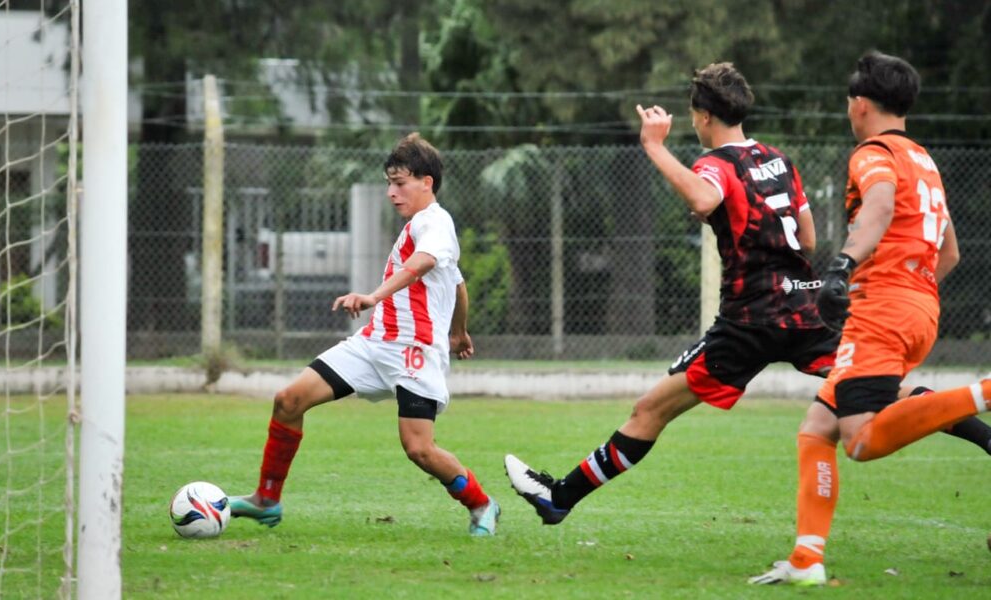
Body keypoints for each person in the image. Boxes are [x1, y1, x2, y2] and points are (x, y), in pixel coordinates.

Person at [505, 62, 841, 526]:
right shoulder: (778, 159)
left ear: (703, 116)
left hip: (750, 320)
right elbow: (807, 240)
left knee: (650, 410)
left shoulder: (716, 163)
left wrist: (653, 146)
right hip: (804, 309)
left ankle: (560, 498)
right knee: (880, 386)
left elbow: (704, 198)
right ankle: (975, 415)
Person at [750, 50, 991, 585]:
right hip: (919, 305)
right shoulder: (924, 160)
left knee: (860, 439)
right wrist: (907, 290)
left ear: (859, 104)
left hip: (881, 310)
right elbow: (948, 253)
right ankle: (807, 561)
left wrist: (844, 267)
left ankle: (986, 392)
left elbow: (879, 207)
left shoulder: (872, 153)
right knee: (818, 429)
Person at [228, 132, 500, 536]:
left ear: (427, 182)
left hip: (414, 351)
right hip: (374, 344)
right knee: (288, 400)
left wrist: (374, 295)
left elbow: (423, 264)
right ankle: (267, 500)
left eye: (400, 182)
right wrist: (459, 331)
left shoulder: (436, 223)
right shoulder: (419, 226)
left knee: (419, 449)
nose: (391, 192)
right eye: (389, 182)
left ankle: (482, 504)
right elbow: (457, 283)